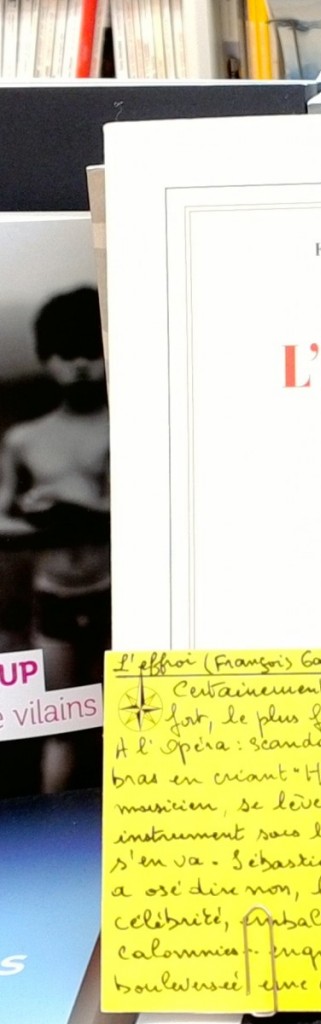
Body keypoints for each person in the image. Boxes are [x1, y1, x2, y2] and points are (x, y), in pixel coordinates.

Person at [0, 286, 110, 792]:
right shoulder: (25, 439)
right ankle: (53, 824)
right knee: (61, 729)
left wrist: (70, 500)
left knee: (128, 724)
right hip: (55, 598)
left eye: (91, 350)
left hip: (117, 594)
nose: (81, 364)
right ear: (47, 359)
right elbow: (2, 520)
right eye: (67, 353)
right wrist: (51, 519)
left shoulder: (130, 426)